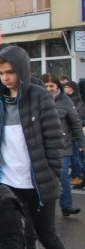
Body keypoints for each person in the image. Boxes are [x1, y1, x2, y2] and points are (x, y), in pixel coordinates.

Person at [0, 46, 74, 249]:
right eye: (1, 73)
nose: (6, 78)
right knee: (10, 241)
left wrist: (51, 173)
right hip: (6, 184)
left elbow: (54, 142)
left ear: (21, 70)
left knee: (47, 236)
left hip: (36, 182)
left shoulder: (39, 97)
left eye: (11, 72)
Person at [42, 73, 84, 216]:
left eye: (52, 86)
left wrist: (81, 141)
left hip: (62, 145)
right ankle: (42, 207)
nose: (49, 89)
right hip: (41, 146)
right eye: (46, 86)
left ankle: (66, 206)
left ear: (57, 86)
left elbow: (75, 123)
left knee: (63, 175)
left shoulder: (65, 101)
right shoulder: (36, 99)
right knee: (44, 177)